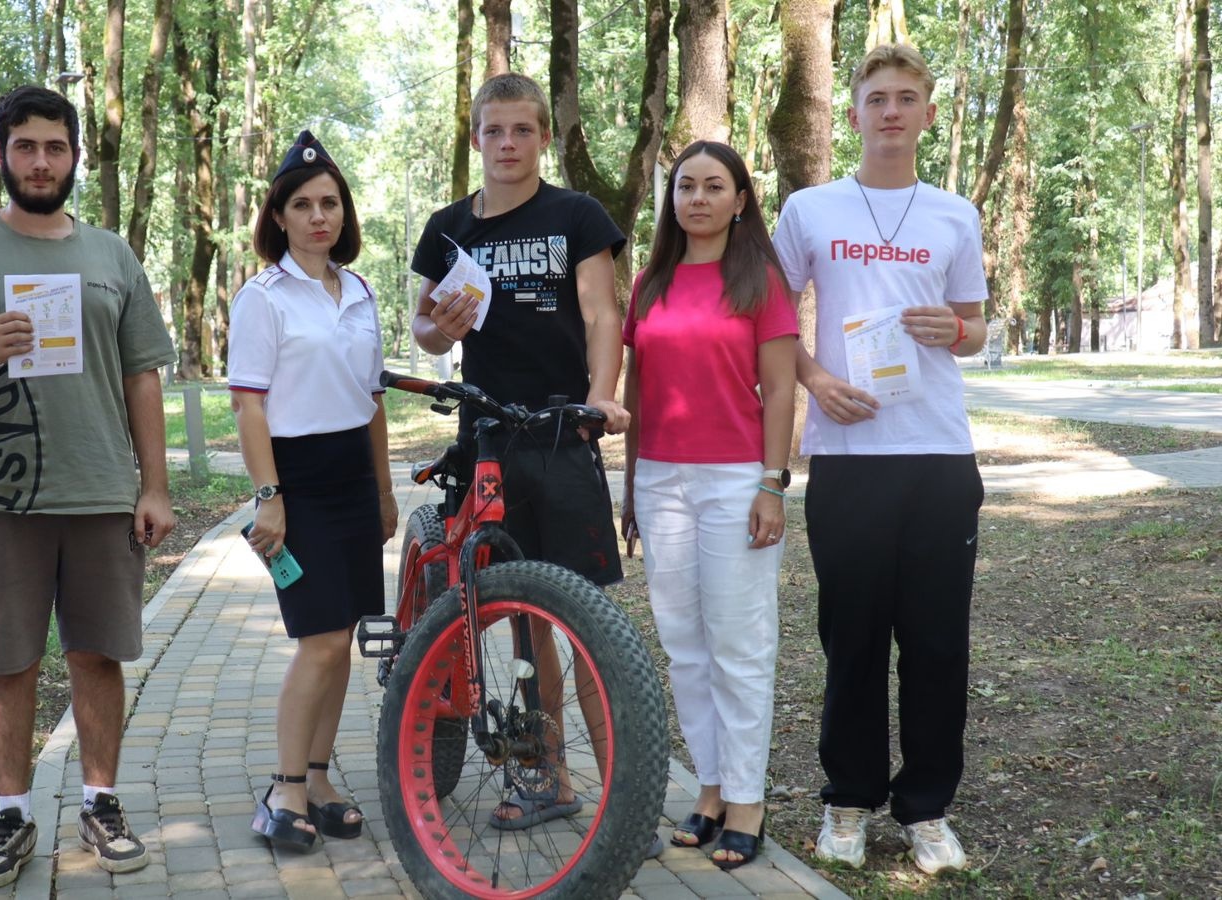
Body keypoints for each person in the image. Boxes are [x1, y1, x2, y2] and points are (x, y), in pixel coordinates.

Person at [0, 85, 177, 886]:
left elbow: (142, 375)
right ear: (0, 153)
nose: (39, 161)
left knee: (98, 655)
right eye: (24, 146)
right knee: (10, 664)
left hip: (101, 492)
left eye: (54, 147)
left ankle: (101, 803)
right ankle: (11, 816)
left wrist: (155, 486)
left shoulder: (112, 255)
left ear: (75, 157)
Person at [771, 43, 988, 876]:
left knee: (936, 643)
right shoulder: (810, 210)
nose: (891, 111)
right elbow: (768, 320)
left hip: (937, 453)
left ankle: (927, 809)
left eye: (905, 98)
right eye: (877, 98)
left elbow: (974, 327)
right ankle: (848, 802)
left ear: (927, 114)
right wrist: (816, 380)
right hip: (849, 454)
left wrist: (955, 329)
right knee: (852, 638)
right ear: (855, 112)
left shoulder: (954, 215)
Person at [410, 73, 639, 843]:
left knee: (588, 621)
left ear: (543, 136)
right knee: (518, 617)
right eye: (493, 130)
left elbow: (602, 313)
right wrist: (440, 328)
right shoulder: (448, 228)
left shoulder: (577, 216)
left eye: (521, 130)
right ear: (476, 137)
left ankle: (627, 795)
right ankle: (548, 777)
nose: (507, 143)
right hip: (488, 440)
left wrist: (601, 397)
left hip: (563, 434)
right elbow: (423, 328)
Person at [620, 141, 797, 870]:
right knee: (685, 647)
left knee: (739, 646)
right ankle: (712, 788)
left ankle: (748, 801)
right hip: (661, 481)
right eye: (685, 186)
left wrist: (772, 484)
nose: (697, 198)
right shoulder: (649, 282)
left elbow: (781, 390)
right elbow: (636, 391)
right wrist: (630, 484)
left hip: (735, 480)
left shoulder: (759, 280)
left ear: (740, 200)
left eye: (713, 186)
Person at [228, 130, 398, 851]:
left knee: (343, 636)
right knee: (319, 639)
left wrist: (384, 492)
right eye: (302, 205)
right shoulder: (262, 298)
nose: (318, 216)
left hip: (354, 476)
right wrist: (269, 495)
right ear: (279, 216)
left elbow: (374, 401)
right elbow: (249, 405)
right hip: (296, 481)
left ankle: (319, 779)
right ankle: (284, 788)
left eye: (329, 202)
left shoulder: (358, 291)